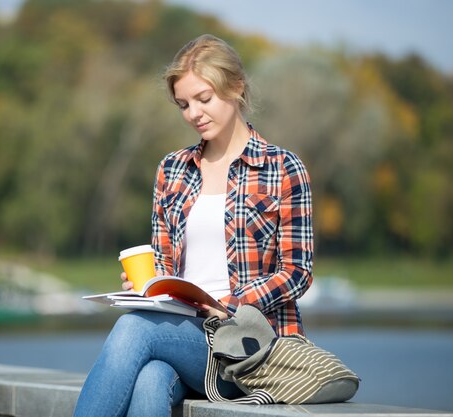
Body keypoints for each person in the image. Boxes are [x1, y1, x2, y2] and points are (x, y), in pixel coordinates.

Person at [72, 34, 313, 417]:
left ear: (235, 88)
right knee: (151, 377)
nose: (194, 114)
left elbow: (298, 272)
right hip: (186, 339)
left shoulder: (282, 168)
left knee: (133, 329)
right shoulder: (172, 170)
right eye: (184, 104)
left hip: (252, 349)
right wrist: (148, 289)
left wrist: (229, 306)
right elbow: (165, 264)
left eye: (204, 99)